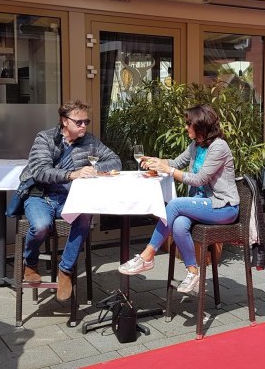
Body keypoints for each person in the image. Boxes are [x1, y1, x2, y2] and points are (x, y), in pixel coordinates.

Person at [118, 104, 239, 295]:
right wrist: (157, 161)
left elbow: (200, 179)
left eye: (189, 124)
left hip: (223, 206)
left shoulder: (219, 147)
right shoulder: (196, 146)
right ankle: (193, 271)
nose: (186, 127)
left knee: (174, 205)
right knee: (179, 224)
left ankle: (147, 256)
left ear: (201, 126)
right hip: (203, 204)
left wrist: (169, 170)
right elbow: (175, 163)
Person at [18, 100, 121, 301]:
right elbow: (39, 171)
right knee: (40, 226)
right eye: (79, 122)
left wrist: (95, 169)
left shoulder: (90, 141)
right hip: (40, 196)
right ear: (65, 121)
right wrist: (72, 174)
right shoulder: (45, 138)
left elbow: (115, 160)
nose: (84, 126)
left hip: (70, 198)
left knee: (85, 214)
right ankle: (29, 263)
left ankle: (65, 271)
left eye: (86, 122)